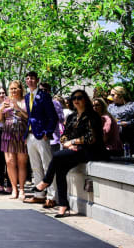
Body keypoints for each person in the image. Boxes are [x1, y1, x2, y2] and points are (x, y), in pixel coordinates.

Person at [34, 89, 105, 217]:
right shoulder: (72, 117)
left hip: (91, 150)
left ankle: (46, 181)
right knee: (60, 169)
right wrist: (68, 143)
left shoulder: (92, 116)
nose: (76, 101)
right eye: (74, 98)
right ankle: (63, 205)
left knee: (56, 156)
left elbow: (91, 138)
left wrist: (73, 142)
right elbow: (63, 136)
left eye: (79, 98)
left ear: (85, 100)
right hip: (75, 150)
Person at [23, 71, 58, 208]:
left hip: (41, 135)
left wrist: (47, 132)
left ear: (37, 80)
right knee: (35, 166)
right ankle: (39, 195)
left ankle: (52, 196)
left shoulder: (44, 96)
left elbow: (53, 117)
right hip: (30, 135)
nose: (30, 80)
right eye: (28, 78)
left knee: (47, 165)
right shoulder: (27, 97)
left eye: (32, 78)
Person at [0, 81, 29, 199]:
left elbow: (28, 117)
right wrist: (0, 110)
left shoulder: (25, 101)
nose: (13, 91)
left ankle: (22, 189)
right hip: (8, 133)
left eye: (15, 88)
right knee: (10, 162)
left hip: (22, 133)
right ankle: (14, 189)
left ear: (20, 89)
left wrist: (17, 107)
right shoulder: (6, 102)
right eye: (11, 89)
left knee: (21, 162)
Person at [108, 86, 134, 152]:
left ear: (120, 95)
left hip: (132, 141)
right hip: (115, 142)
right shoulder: (110, 107)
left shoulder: (133, 105)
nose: (111, 97)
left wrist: (127, 123)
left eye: (113, 95)